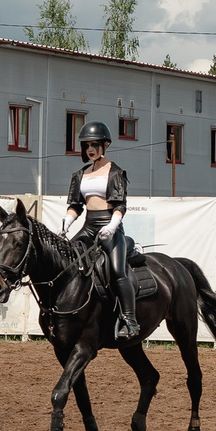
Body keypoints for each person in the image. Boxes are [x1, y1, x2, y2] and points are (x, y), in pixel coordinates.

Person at [66, 122, 140, 340]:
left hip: (110, 226)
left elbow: (120, 206)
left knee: (117, 270)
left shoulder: (115, 172)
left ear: (105, 145)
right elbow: (76, 206)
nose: (90, 149)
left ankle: (130, 320)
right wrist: (67, 222)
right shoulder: (80, 174)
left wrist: (112, 226)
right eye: (87, 145)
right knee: (68, 261)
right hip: (88, 227)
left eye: (94, 145)